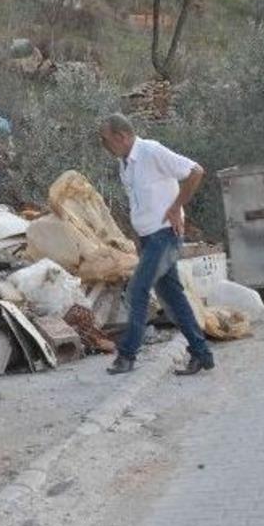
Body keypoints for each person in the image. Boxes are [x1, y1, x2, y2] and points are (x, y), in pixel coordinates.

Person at [98, 113, 214, 377]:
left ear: (121, 136)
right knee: (173, 298)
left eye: (106, 140)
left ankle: (126, 356)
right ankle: (202, 354)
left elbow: (195, 172)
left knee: (137, 290)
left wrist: (176, 207)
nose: (105, 146)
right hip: (150, 238)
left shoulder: (151, 151)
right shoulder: (125, 164)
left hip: (165, 235)